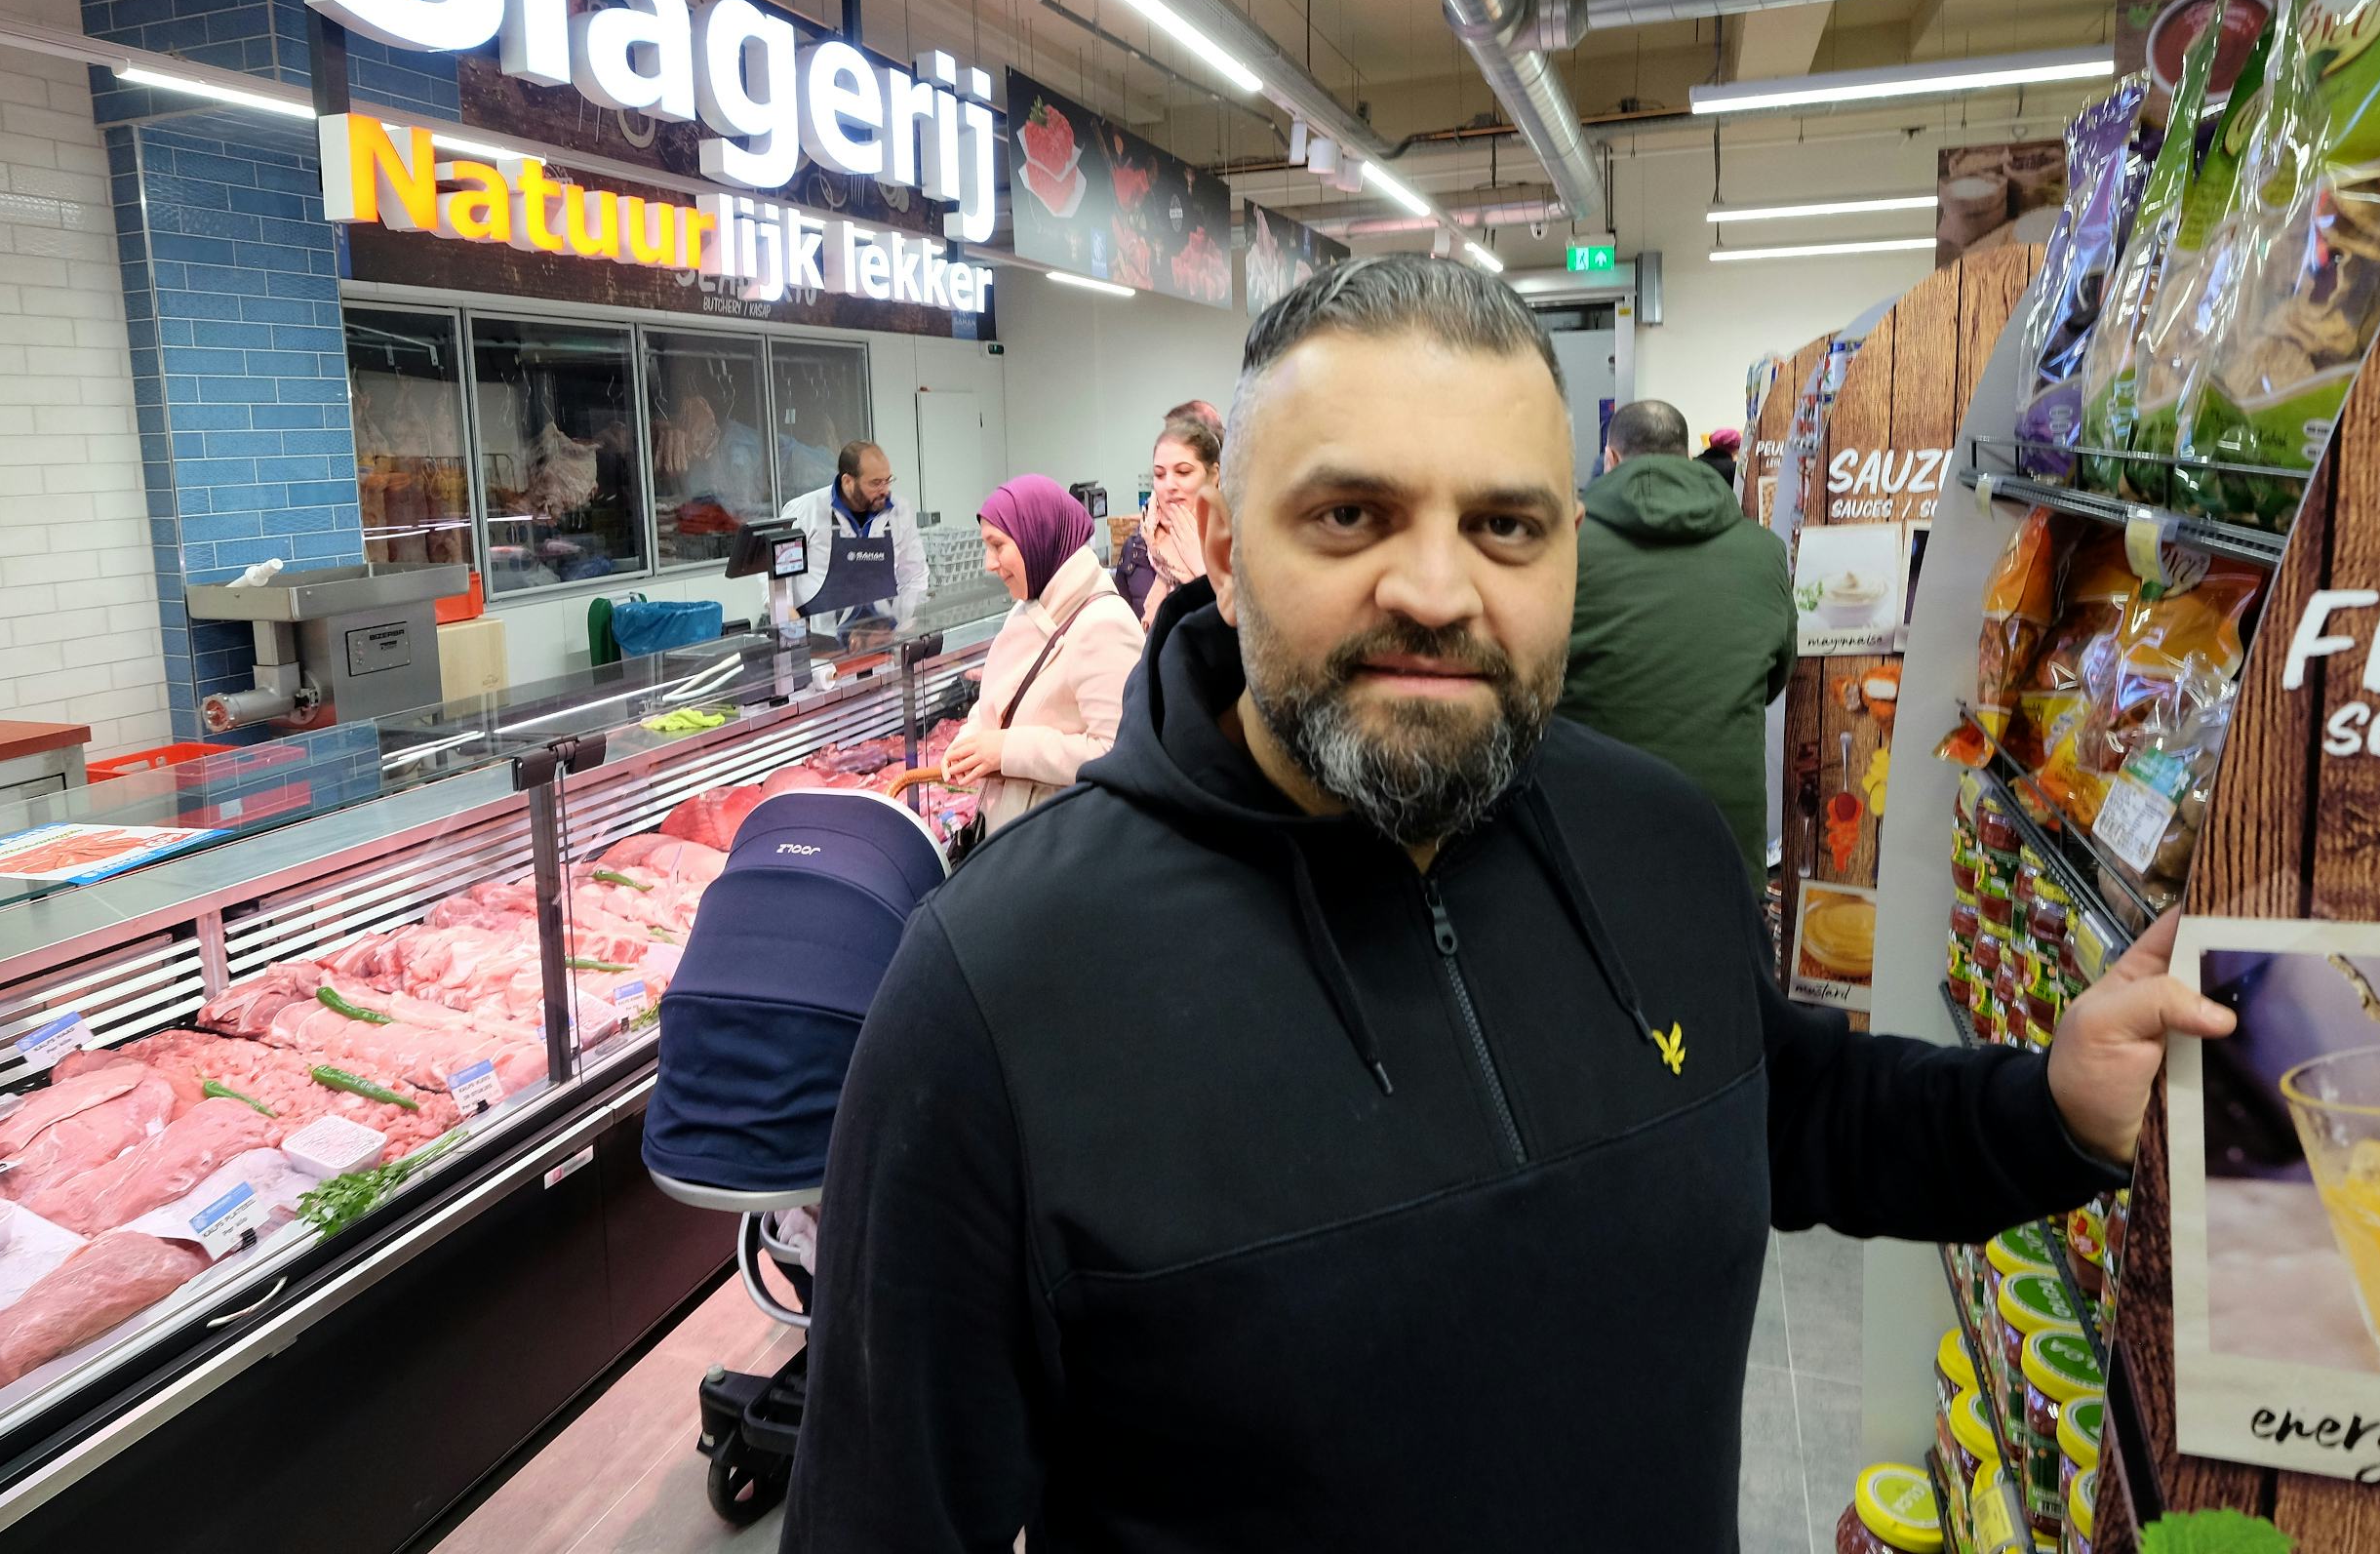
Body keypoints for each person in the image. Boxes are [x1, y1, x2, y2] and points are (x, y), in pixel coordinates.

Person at [785, 257, 2230, 1552]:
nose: (1436, 588)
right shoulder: (996, 995)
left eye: (1505, 525)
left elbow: (1790, 1110)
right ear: (1219, 545)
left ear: (1569, 552)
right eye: (1350, 514)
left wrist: (2052, 1108)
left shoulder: (1657, 842)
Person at [1558, 398, 1796, 862]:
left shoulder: (1565, 548)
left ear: (1611, 458)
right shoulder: (1764, 550)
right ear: (1686, 456)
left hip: (1592, 835)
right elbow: (1773, 679)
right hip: (1725, 841)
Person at [933, 474, 1143, 835]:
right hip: (1018, 834)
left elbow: (1121, 753)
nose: (988, 563)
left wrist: (1007, 751)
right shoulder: (1031, 605)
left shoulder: (1104, 623)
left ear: (1036, 536)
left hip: (1066, 842)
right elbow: (1005, 696)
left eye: (998, 545)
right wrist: (973, 737)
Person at [780, 441, 926, 639]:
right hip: (822, 644)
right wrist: (795, 635)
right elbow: (778, 581)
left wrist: (902, 626)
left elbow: (915, 575)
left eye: (888, 480)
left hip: (882, 641)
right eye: (875, 483)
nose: (884, 490)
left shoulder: (899, 510)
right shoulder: (805, 511)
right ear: (848, 481)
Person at [1115, 406, 1222, 626]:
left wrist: (1204, 569)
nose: (1169, 485)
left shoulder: (1238, 543)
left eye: (1183, 472)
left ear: (1213, 476)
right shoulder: (1139, 546)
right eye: (1159, 474)